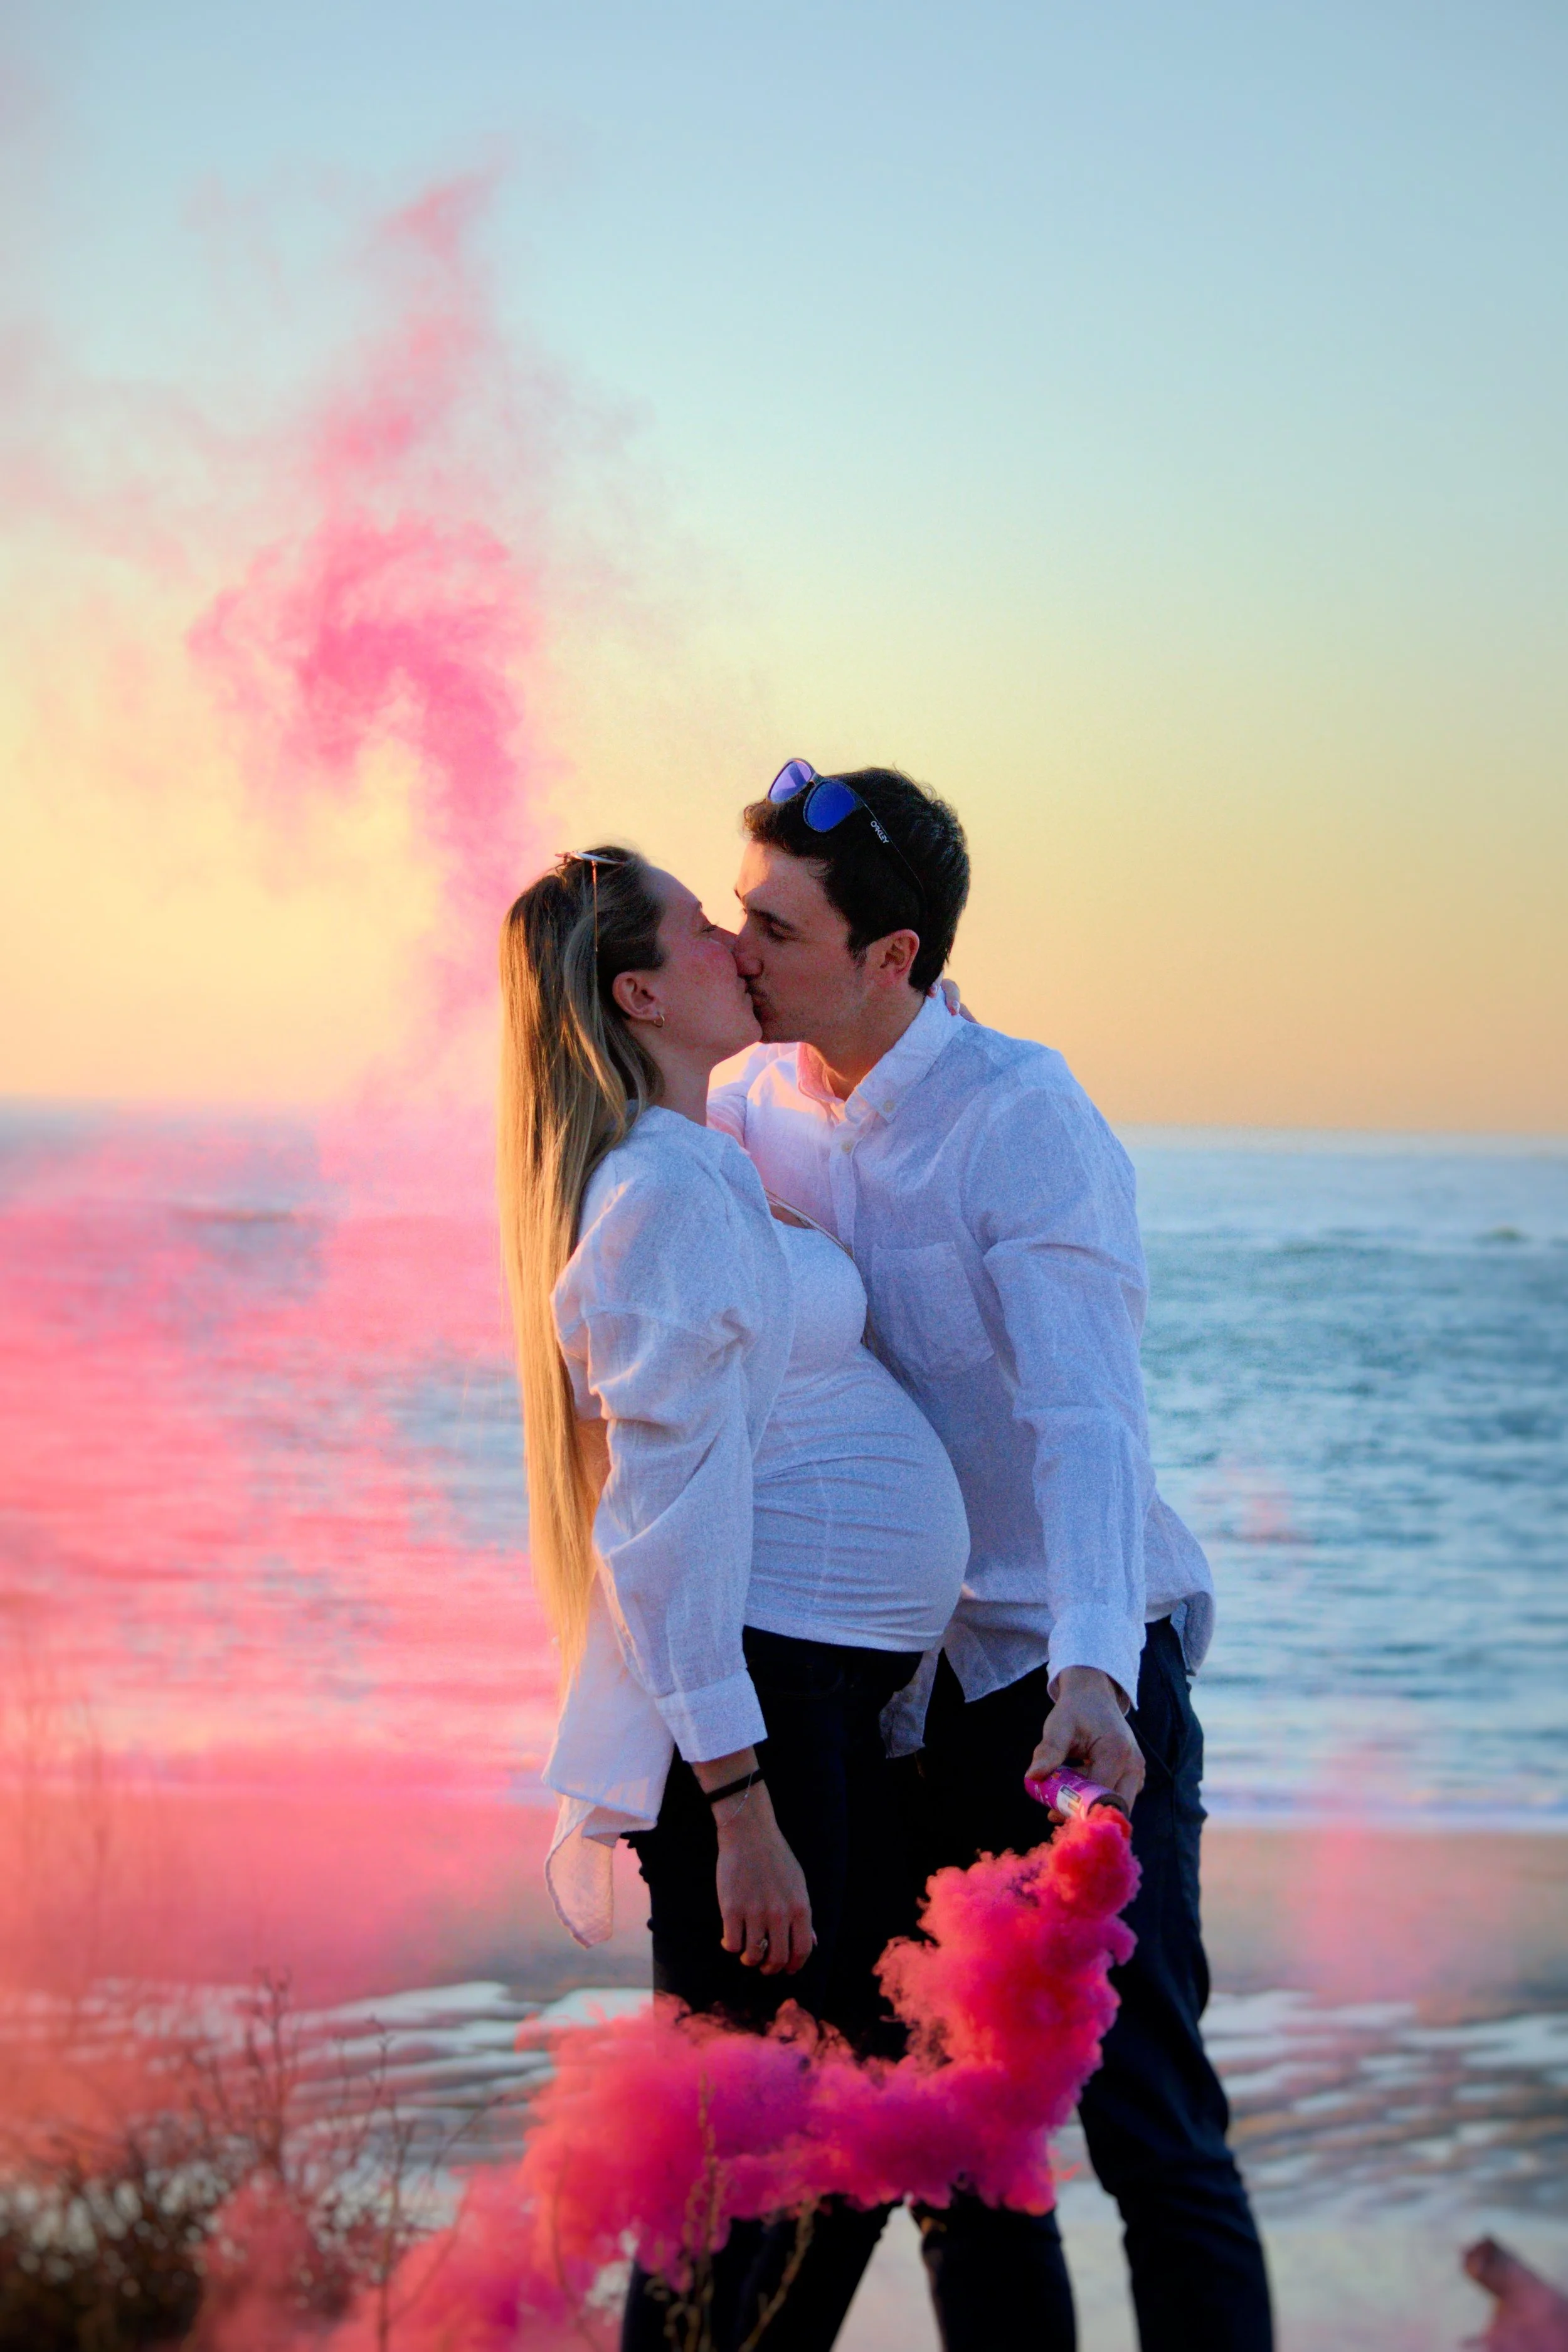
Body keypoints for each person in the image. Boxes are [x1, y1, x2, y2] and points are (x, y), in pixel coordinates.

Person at [708, 763, 1274, 2352]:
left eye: (774, 926)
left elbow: (1088, 1415)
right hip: (896, 1689)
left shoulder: (1023, 1119)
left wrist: (1093, 1671)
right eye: (740, 913)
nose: (737, 948)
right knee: (961, 2142)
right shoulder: (747, 1105)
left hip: (1066, 1670)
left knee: (1146, 2113)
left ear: (891, 959)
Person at [496, 847, 970, 2350]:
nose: (736, 945)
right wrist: (743, 1801)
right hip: (765, 1720)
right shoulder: (653, 1196)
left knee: (814, 2131)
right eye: (707, 929)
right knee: (746, 2159)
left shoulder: (706, 1166)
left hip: (824, 1703)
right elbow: (661, 1527)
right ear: (639, 990)